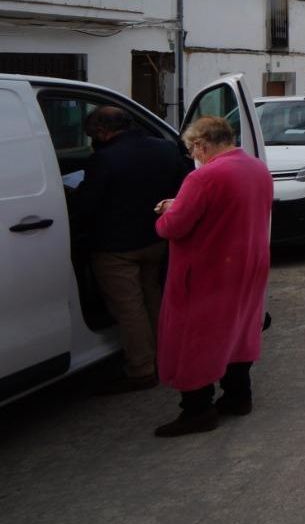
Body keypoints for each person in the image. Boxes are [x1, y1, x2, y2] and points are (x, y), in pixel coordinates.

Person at [150, 114, 273, 438]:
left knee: (196, 338)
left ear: (202, 145)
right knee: (239, 329)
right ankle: (238, 396)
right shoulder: (256, 168)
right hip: (248, 264)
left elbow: (174, 227)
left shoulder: (203, 178)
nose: (193, 157)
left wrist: (166, 210)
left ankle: (197, 410)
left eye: (193, 150)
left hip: (209, 271)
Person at [73, 106, 189, 393]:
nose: (91, 141)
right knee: (153, 297)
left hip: (116, 248)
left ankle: (141, 369)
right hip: (156, 239)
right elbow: (184, 186)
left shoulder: (103, 159)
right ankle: (166, 357)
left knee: (129, 308)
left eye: (92, 135)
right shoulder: (164, 148)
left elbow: (86, 206)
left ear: (103, 131)